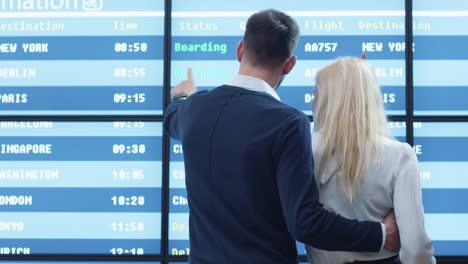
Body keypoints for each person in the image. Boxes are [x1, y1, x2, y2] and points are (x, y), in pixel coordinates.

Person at [164, 9, 399, 264]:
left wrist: (182, 95)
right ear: (289, 64)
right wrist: (379, 235)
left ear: (240, 49)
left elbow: (171, 119)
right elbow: (306, 223)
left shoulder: (195, 109)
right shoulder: (288, 123)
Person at [306, 57, 436, 264]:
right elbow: (416, 249)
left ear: (325, 100)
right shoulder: (399, 155)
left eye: (315, 93)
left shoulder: (304, 150)